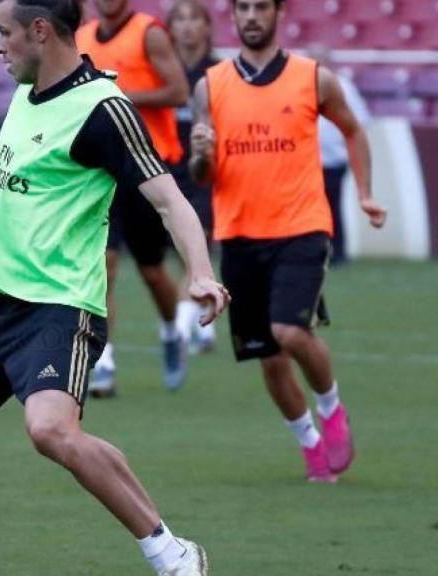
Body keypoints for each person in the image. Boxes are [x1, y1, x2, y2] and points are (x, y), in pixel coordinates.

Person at [0, 1, 229, 575]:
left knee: (51, 430)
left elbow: (168, 197)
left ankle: (171, 554)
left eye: (3, 33)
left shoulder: (104, 108)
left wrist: (200, 272)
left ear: (38, 31)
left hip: (59, 308)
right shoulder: (24, 90)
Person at [189, 0, 387, 483]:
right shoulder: (209, 87)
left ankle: (332, 410)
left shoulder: (312, 77)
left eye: (261, 7)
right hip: (238, 234)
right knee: (270, 359)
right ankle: (311, 445)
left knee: (291, 332)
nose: (251, 16)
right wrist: (201, 156)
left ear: (279, 14)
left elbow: (353, 130)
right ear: (233, 16)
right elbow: (203, 176)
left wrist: (363, 192)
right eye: (243, 8)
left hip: (301, 226)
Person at [76, 0, 191, 396]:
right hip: (101, 170)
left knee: (152, 271)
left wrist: (120, 100)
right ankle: (102, 361)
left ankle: (171, 331)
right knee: (102, 265)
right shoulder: (82, 36)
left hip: (146, 165)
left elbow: (179, 91)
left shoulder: (149, 32)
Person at [167, 0, 219, 353]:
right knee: (186, 255)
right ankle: (206, 326)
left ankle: (182, 325)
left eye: (193, 19)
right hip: (165, 172)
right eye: (179, 19)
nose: (186, 27)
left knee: (196, 243)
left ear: (206, 27)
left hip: (205, 173)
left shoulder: (217, 73)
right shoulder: (161, 73)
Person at [307, 43, 372, 266]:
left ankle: (338, 252)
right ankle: (314, 252)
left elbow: (358, 123)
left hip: (333, 159)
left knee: (333, 208)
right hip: (306, 161)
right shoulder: (301, 86)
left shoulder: (343, 87)